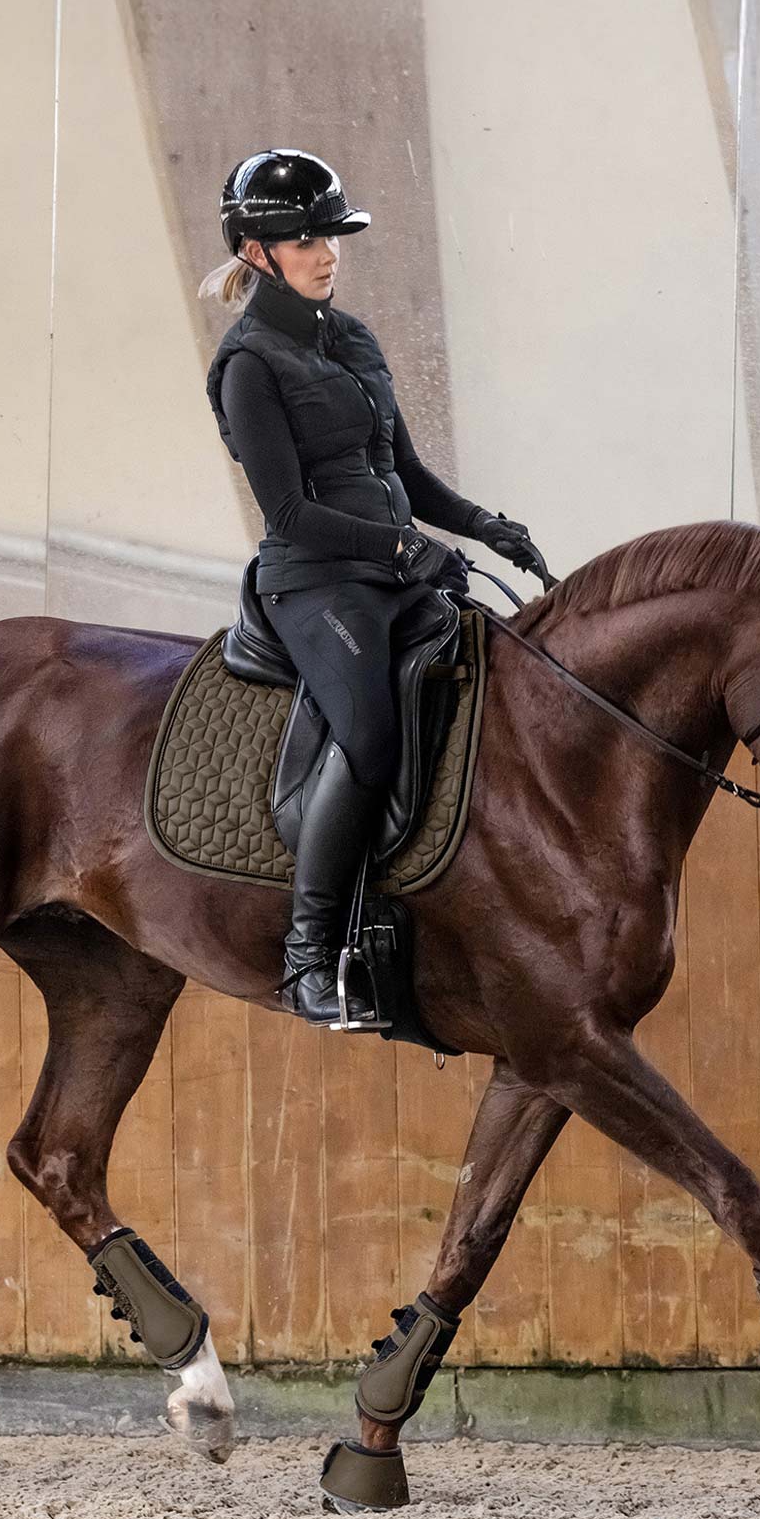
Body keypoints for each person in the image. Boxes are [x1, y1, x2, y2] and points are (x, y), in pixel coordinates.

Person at [203, 149, 551, 1026]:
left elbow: (408, 474)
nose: (327, 252)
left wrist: (481, 526)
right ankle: (310, 956)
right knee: (365, 729)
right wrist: (406, 548)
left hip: (392, 569)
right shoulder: (249, 364)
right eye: (306, 238)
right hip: (317, 585)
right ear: (256, 251)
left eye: (331, 235)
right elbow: (288, 512)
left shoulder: (351, 337)